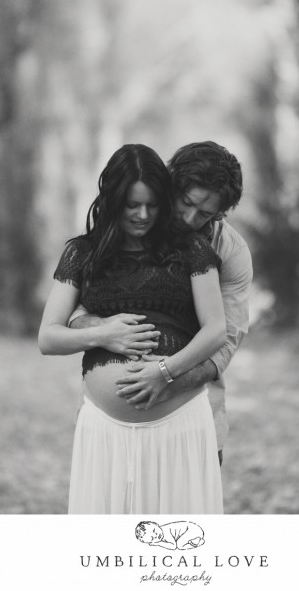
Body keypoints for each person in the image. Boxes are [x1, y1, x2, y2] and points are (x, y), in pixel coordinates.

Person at [38, 144, 227, 514]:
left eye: (152, 205)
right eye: (132, 205)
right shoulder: (82, 254)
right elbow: (48, 336)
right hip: (104, 430)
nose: (142, 215)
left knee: (174, 552)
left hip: (180, 424)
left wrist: (164, 372)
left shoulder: (190, 250)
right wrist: (104, 334)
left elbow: (216, 330)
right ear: (112, 200)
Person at [70, 141, 253, 465]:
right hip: (111, 424)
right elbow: (83, 305)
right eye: (186, 203)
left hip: (195, 411)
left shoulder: (231, 253)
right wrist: (103, 329)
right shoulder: (131, 228)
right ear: (171, 183)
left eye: (206, 213)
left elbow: (224, 342)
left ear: (221, 213)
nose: (190, 218)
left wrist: (167, 379)